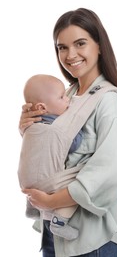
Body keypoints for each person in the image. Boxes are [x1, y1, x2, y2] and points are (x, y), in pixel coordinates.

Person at [19, 8, 117, 257]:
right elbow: (54, 155)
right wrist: (30, 131)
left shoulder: (109, 102)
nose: (70, 55)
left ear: (100, 46)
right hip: (54, 235)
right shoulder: (65, 96)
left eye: (80, 43)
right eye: (62, 47)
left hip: (95, 239)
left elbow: (110, 172)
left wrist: (51, 201)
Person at [18, 74, 83, 240]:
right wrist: (79, 130)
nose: (68, 100)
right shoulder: (57, 128)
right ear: (42, 107)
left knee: (38, 174)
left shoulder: (29, 125)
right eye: (62, 97)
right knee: (78, 187)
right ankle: (59, 222)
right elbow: (74, 144)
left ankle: (32, 208)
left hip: (25, 181)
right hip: (47, 182)